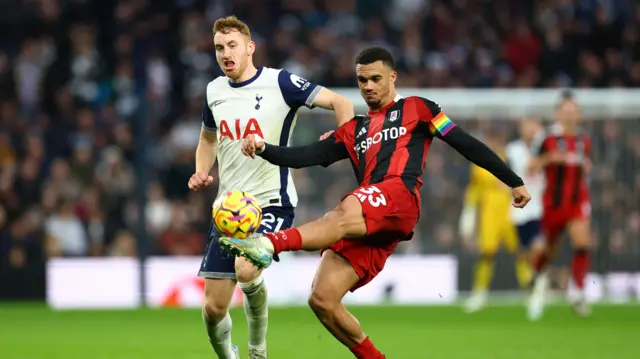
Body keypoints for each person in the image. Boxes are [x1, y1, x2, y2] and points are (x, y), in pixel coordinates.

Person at [220, 46, 531, 359]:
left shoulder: (419, 108)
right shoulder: (353, 130)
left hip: (399, 196)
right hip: (372, 218)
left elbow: (465, 143)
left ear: (392, 77)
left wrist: (513, 180)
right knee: (322, 299)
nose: (368, 86)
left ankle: (268, 244)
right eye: (361, 80)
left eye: (375, 78)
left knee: (341, 212)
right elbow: (304, 157)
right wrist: (263, 148)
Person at [188, 16, 354, 359]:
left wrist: (341, 141)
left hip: (271, 203)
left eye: (232, 45)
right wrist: (201, 171)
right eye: (219, 47)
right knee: (213, 309)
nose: (225, 53)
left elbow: (342, 103)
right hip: (227, 210)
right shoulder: (214, 90)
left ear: (250, 48)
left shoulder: (280, 82)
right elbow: (207, 138)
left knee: (247, 269)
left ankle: (258, 349)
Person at [527, 93, 592, 320]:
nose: (570, 114)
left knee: (583, 242)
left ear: (579, 114)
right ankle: (536, 277)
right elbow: (531, 166)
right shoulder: (547, 138)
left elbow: (586, 168)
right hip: (553, 205)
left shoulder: (584, 140)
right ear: (558, 113)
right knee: (549, 252)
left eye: (573, 110)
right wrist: (549, 158)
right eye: (566, 110)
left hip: (577, 202)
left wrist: (586, 168)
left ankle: (579, 292)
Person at [460, 131, 533, 313]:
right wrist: (468, 212)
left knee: (520, 252)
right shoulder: (478, 164)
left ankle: (530, 292)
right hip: (489, 214)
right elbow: (474, 189)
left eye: (496, 139)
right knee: (486, 253)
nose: (493, 143)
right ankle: (479, 293)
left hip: (511, 211)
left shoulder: (509, 159)